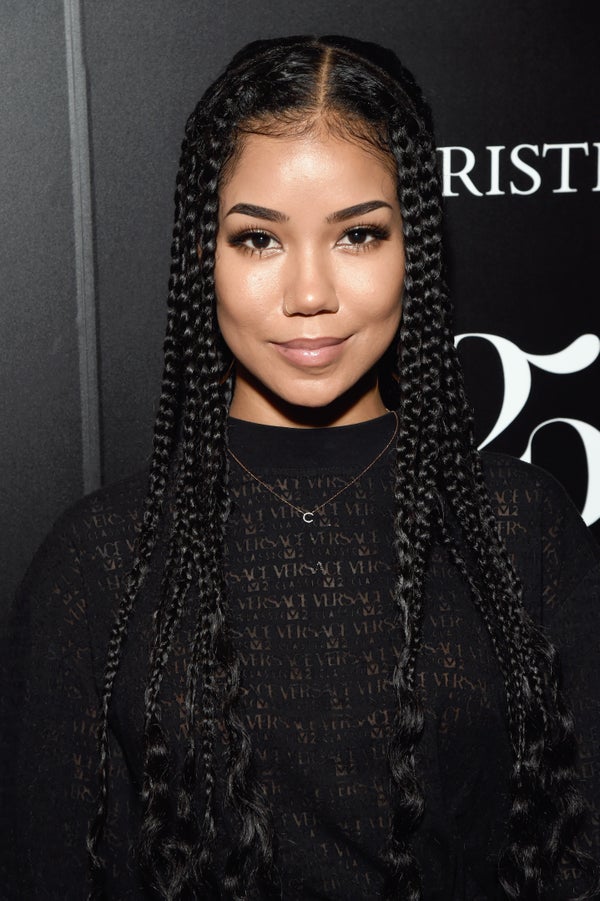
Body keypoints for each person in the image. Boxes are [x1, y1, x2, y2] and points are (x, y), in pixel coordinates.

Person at [1, 35, 599, 901]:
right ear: (201, 254)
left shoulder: (523, 528)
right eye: (258, 239)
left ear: (414, 247)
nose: (310, 293)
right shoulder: (99, 562)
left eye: (359, 234)